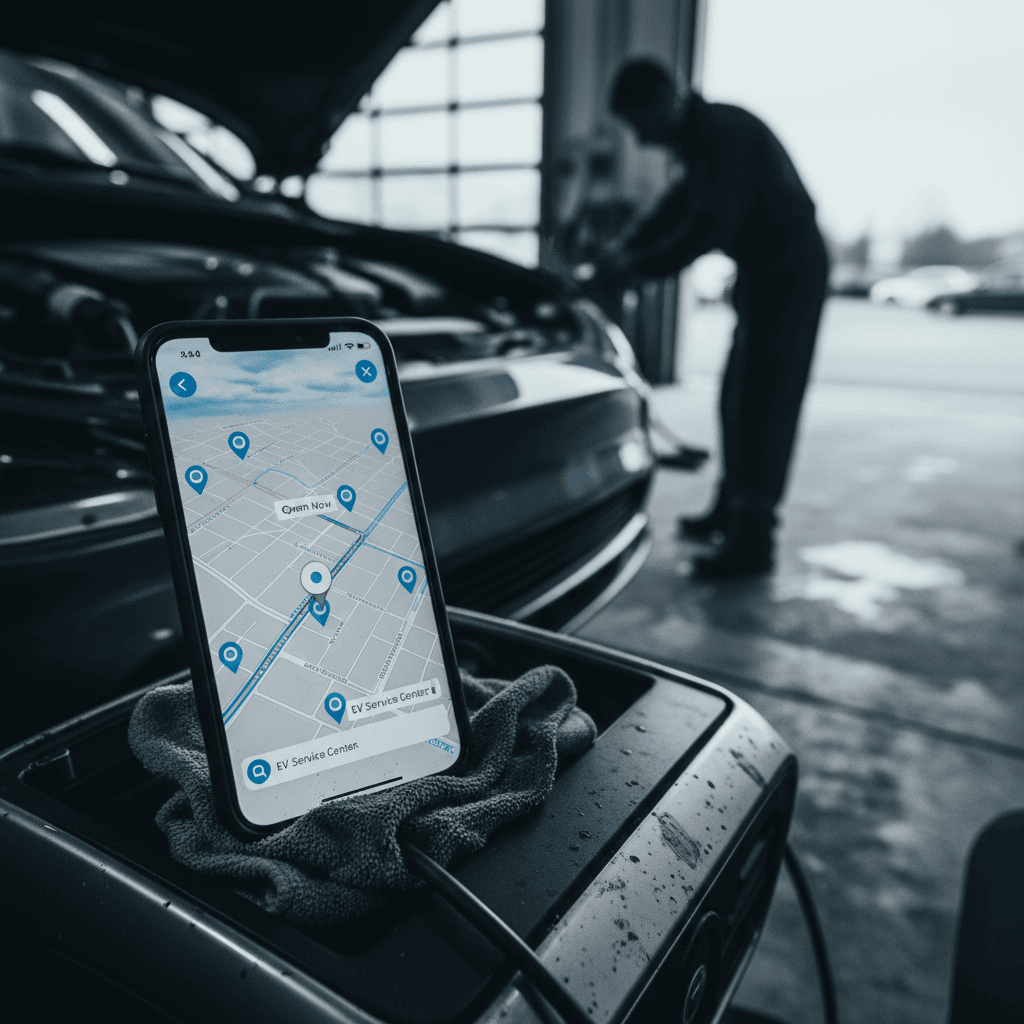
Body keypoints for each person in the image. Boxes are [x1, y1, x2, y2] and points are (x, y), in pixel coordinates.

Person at [596, 59, 829, 577]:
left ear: (665, 100)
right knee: (738, 396)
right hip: (762, 273)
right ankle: (731, 511)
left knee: (767, 402)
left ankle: (755, 540)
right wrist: (625, 248)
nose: (639, 137)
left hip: (791, 271)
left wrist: (635, 267)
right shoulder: (701, 144)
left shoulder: (725, 132)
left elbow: (708, 226)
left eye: (638, 122)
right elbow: (675, 210)